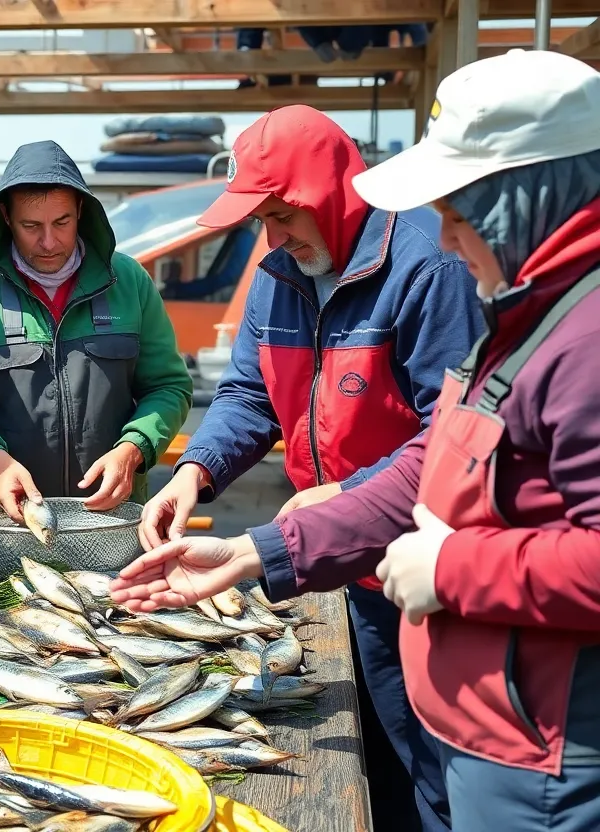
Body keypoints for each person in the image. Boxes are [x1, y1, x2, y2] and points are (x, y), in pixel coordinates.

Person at [112, 48, 600, 832]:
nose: (444, 234)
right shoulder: (512, 310)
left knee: (419, 780)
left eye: (458, 208)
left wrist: (443, 561)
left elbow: (439, 453)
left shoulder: (482, 294)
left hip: (536, 716)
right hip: (373, 575)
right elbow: (275, 403)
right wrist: (217, 499)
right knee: (404, 768)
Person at [135, 105, 486, 831]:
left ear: (328, 191)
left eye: (283, 216)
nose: (274, 237)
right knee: (371, 754)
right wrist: (194, 472)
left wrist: (343, 492)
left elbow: (450, 441)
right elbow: (248, 394)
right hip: (330, 563)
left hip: (418, 570)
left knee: (430, 769)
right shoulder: (277, 274)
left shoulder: (426, 268)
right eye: (263, 220)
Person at [0, 140, 192, 521]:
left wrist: (135, 447)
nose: (48, 242)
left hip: (114, 517)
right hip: (8, 521)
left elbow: (169, 387)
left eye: (62, 223)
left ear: (81, 211)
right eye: (31, 226)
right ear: (4, 215)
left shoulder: (130, 281)